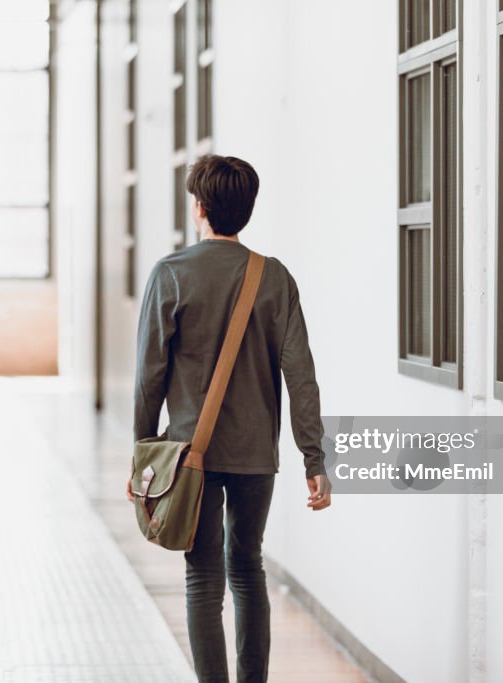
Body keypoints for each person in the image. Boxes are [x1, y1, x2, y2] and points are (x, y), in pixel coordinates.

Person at [131, 155, 331, 682]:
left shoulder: (171, 274)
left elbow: (149, 376)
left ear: (199, 208)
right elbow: (301, 375)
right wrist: (314, 456)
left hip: (188, 457)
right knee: (248, 569)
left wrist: (141, 461)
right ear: (247, 209)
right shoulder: (275, 278)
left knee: (202, 578)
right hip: (255, 454)